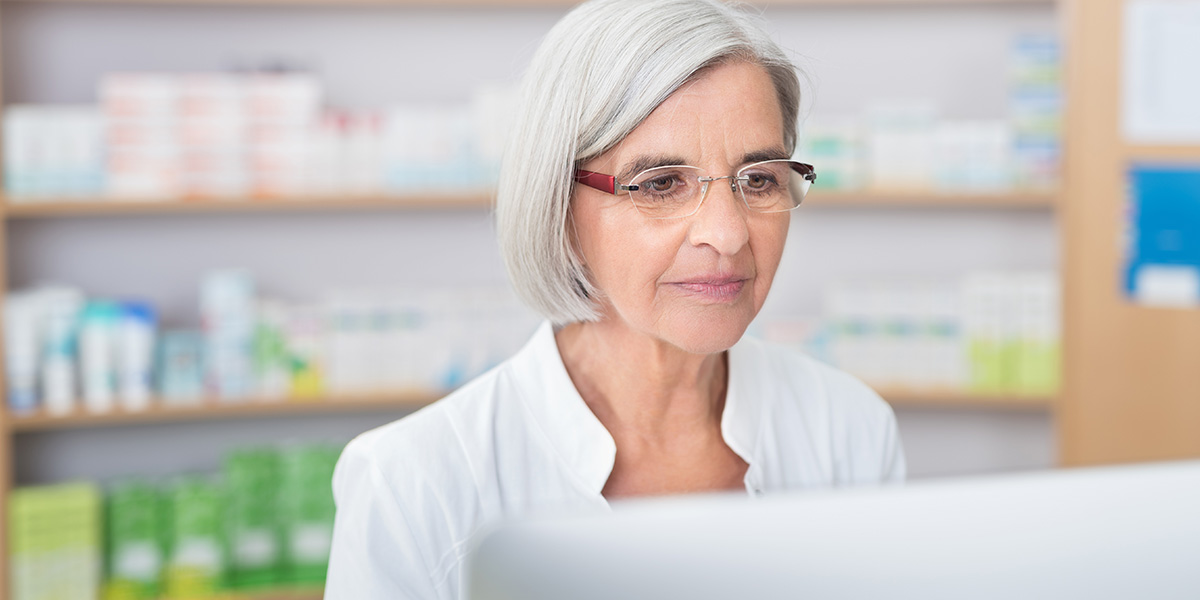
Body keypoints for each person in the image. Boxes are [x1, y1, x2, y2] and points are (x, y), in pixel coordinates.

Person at [324, 0, 905, 598]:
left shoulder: (849, 432)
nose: (728, 234)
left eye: (757, 178)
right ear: (560, 204)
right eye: (661, 184)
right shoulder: (413, 484)